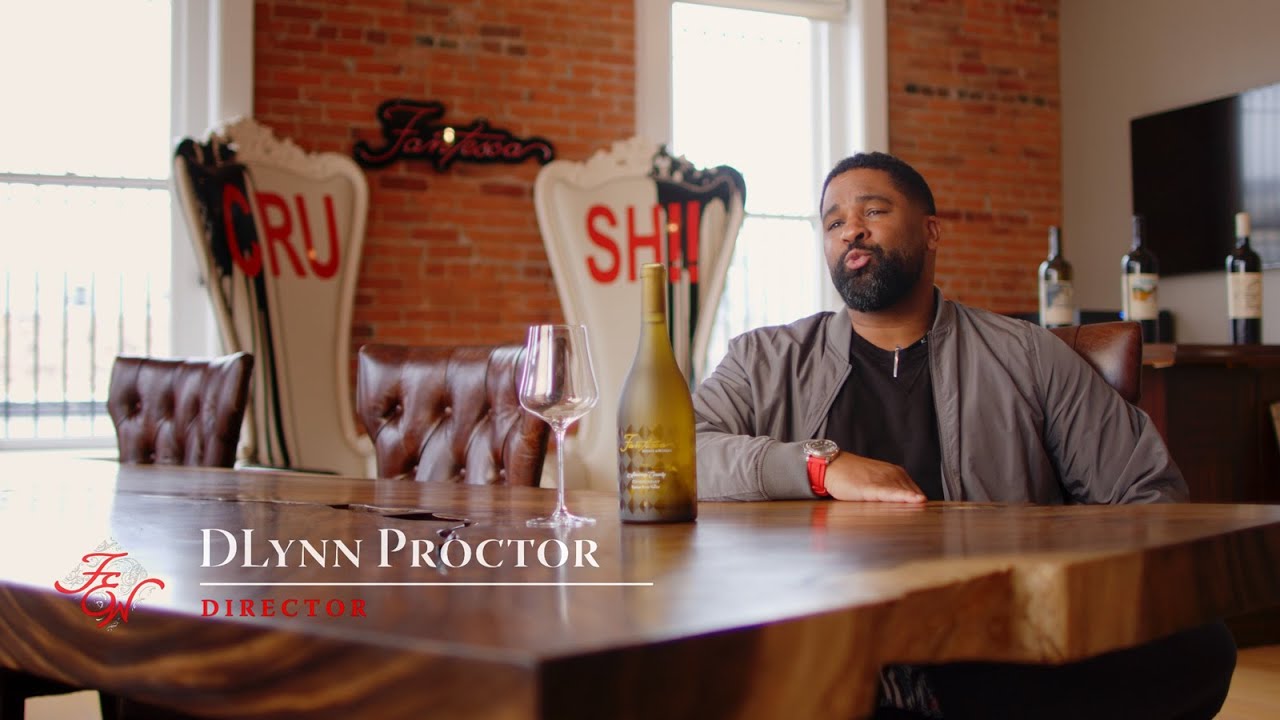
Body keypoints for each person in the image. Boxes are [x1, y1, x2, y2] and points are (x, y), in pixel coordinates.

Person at [692, 152, 1236, 719]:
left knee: (1200, 646)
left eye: (873, 211)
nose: (851, 230)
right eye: (833, 222)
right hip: (822, 623)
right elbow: (667, 458)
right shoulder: (763, 359)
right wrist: (818, 465)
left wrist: (1063, 594)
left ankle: (913, 693)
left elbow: (1148, 494)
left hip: (994, 633)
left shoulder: (1028, 355)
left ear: (931, 232)